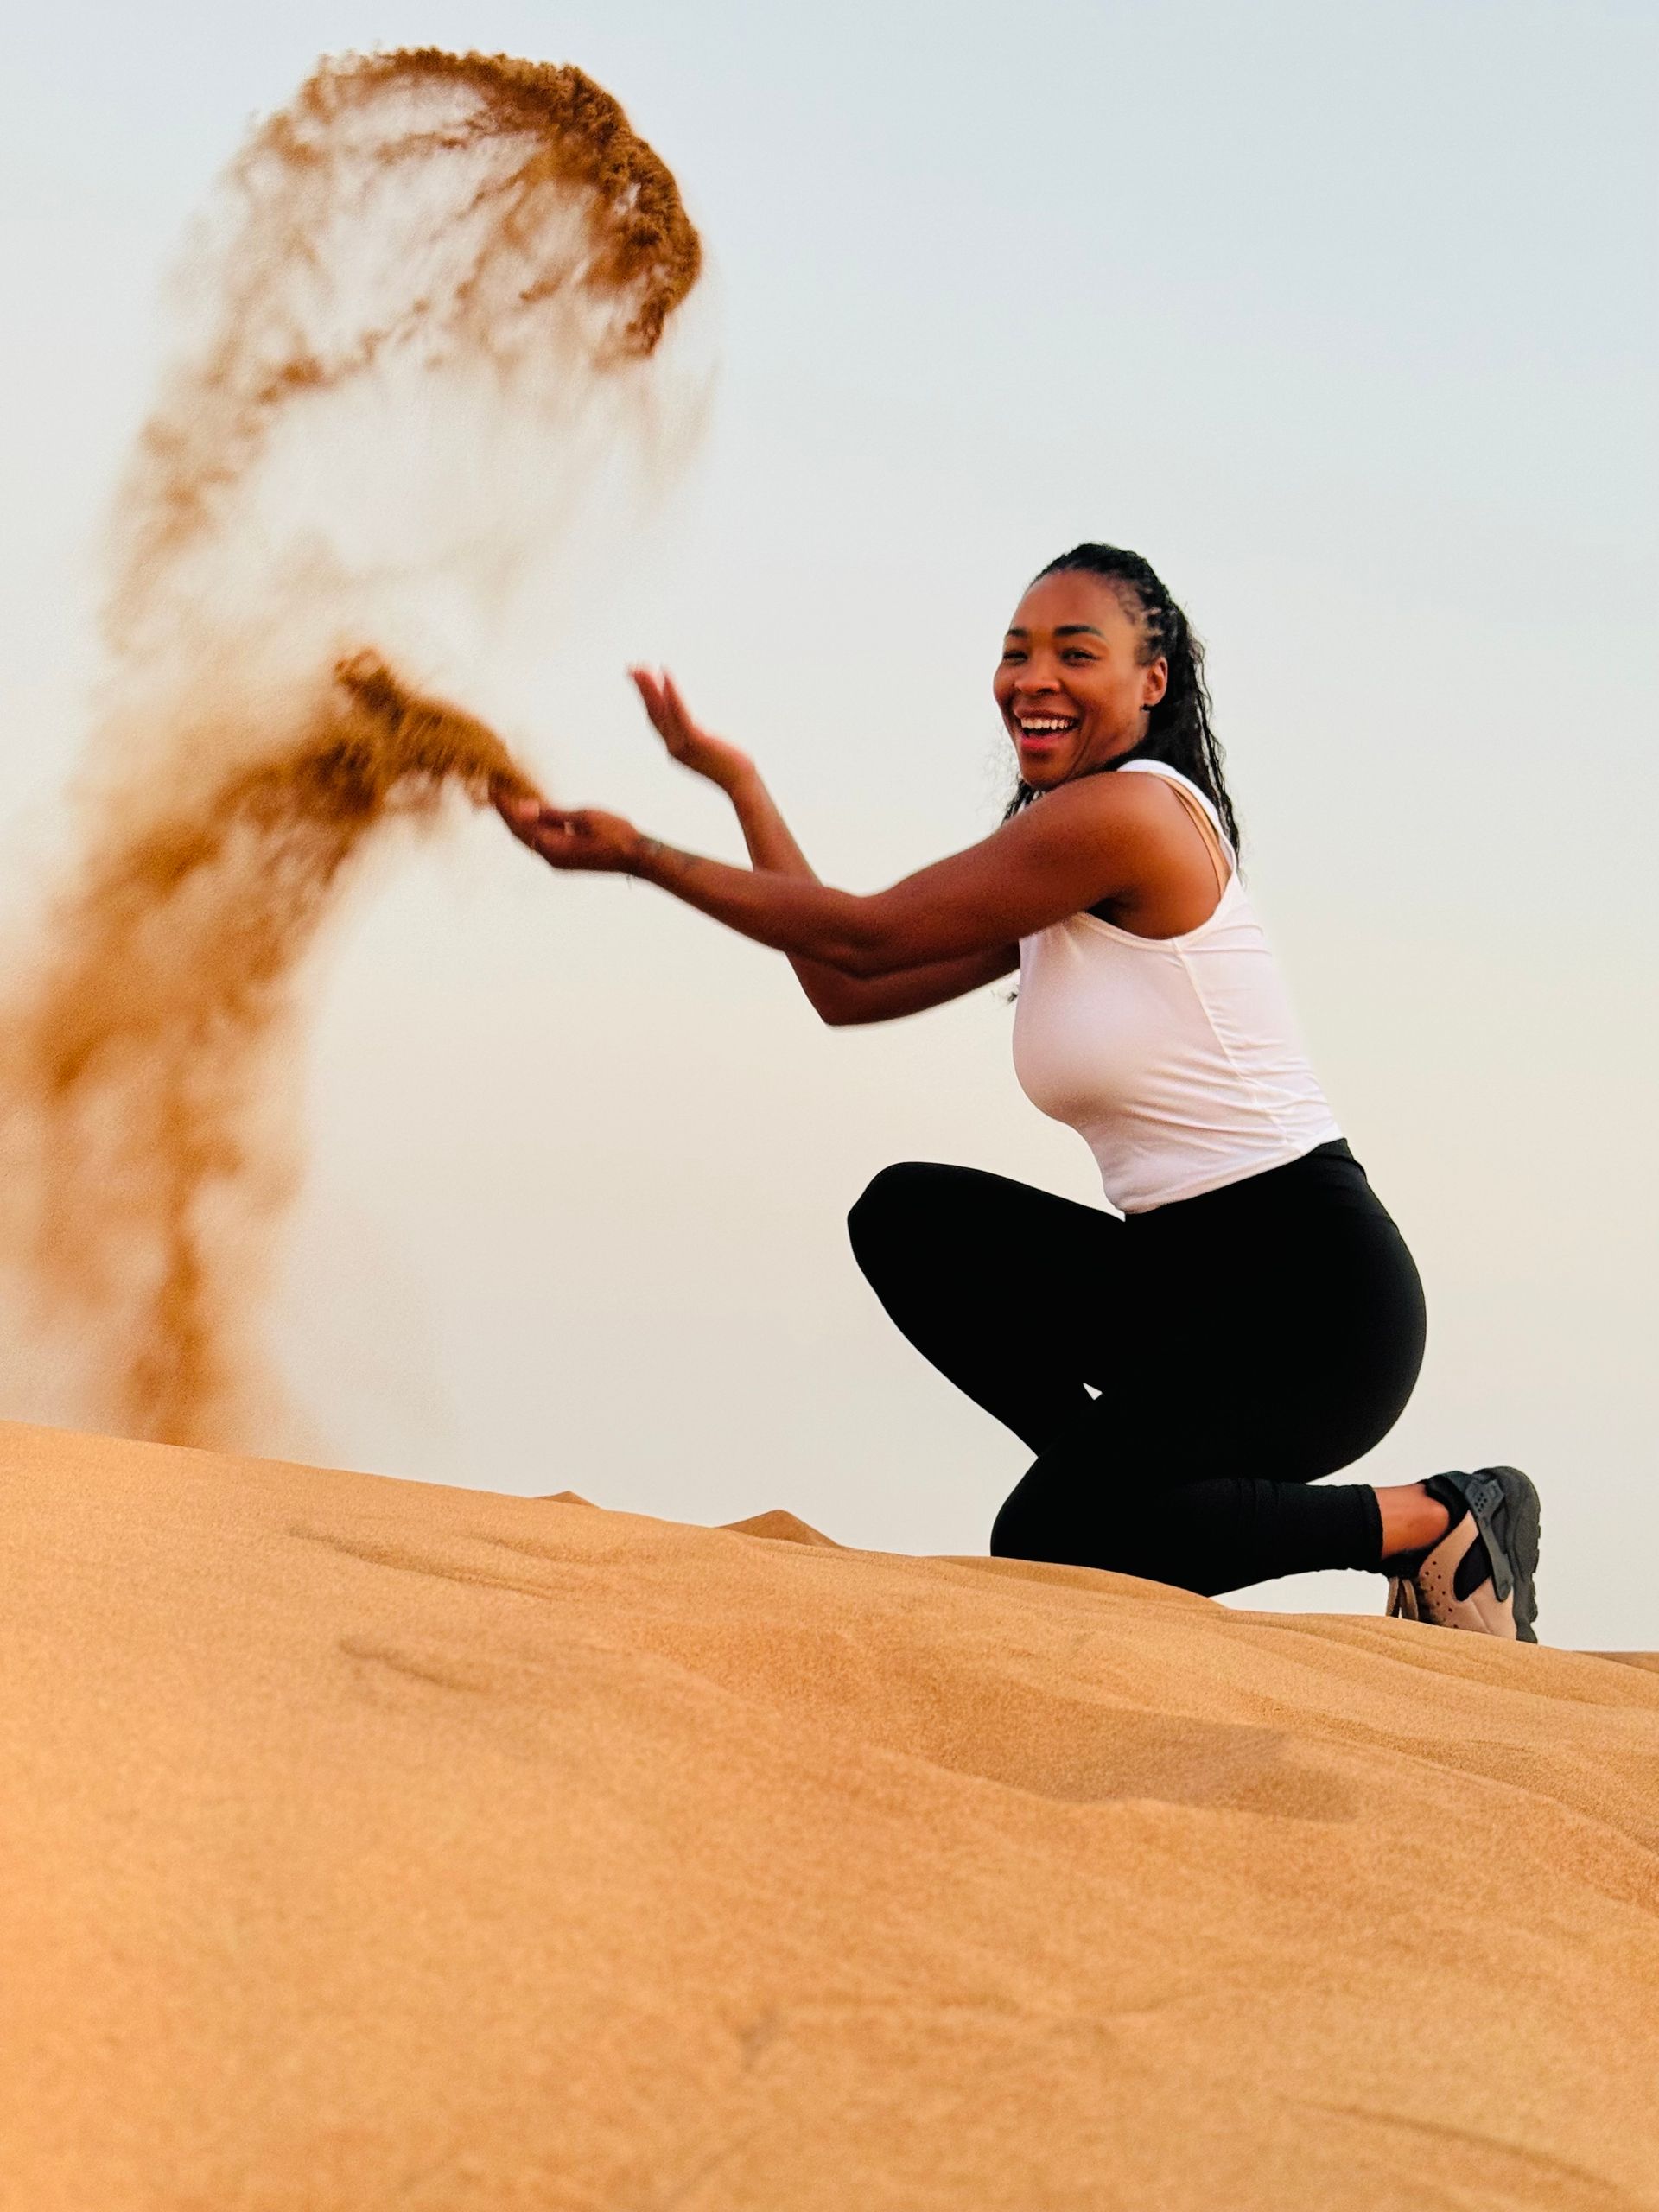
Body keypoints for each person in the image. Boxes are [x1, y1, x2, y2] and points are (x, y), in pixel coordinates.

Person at [497, 543, 1540, 1640]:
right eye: (1016, 652)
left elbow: (864, 933)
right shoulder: (1062, 857)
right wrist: (740, 786)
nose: (1033, 679)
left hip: (1312, 1310)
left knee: (1047, 1537)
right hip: (1181, 1288)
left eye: (1075, 653)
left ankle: (1433, 1518)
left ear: (1153, 680)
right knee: (909, 1218)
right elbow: (847, 986)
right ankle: (1117, 1499)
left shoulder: (1129, 818)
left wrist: (644, 855)